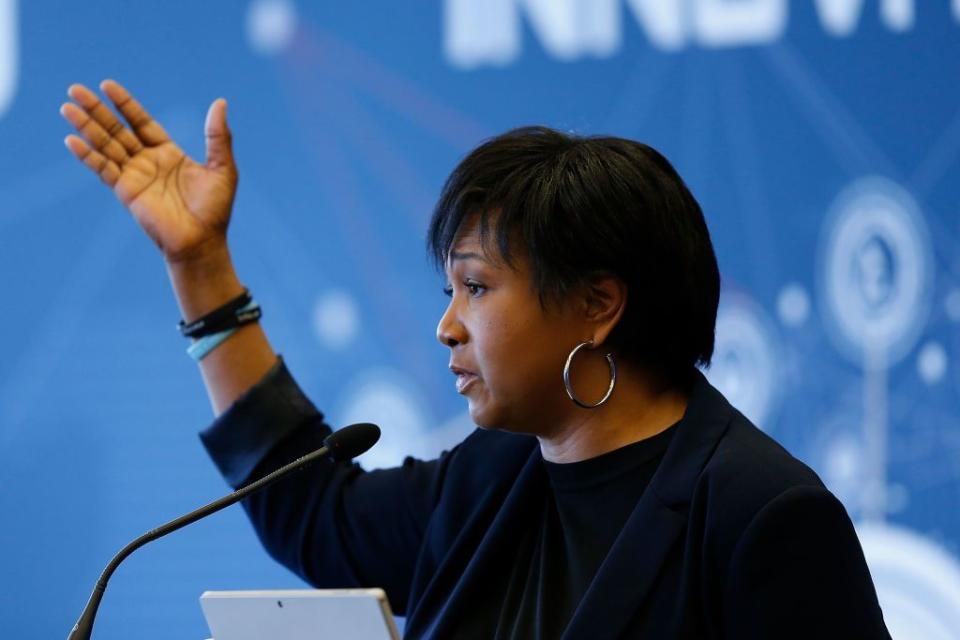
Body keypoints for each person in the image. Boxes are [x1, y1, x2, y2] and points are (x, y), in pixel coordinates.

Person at [60, 80, 891, 639]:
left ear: (599, 305)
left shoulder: (761, 515)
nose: (446, 327)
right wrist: (200, 267)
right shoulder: (495, 474)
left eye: (476, 287)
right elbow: (314, 513)